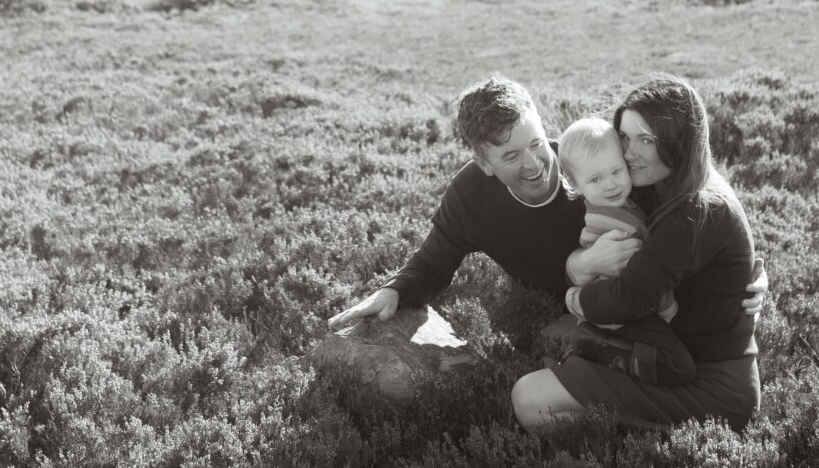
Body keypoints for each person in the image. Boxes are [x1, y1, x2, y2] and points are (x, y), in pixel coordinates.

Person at [325, 73, 767, 335]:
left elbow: (692, 200)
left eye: (537, 143)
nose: (535, 164)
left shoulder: (599, 173)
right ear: (483, 163)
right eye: (511, 156)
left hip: (639, 310)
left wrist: (745, 273)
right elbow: (433, 262)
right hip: (560, 316)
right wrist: (394, 291)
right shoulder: (471, 195)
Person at [512, 75, 761, 433]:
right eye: (625, 137)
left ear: (678, 141)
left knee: (529, 399)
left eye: (646, 139)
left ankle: (637, 451)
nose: (629, 152)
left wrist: (572, 297)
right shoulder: (646, 183)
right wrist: (582, 263)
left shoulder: (698, 209)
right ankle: (625, 427)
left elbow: (627, 299)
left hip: (710, 385)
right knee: (546, 372)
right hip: (660, 351)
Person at [556, 116, 695, 387]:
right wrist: (668, 309)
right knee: (678, 365)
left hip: (611, 307)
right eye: (596, 179)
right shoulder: (621, 224)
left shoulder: (604, 208)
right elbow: (650, 275)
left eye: (616, 172)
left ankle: (603, 346)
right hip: (621, 314)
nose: (610, 184)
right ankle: (600, 349)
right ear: (575, 186)